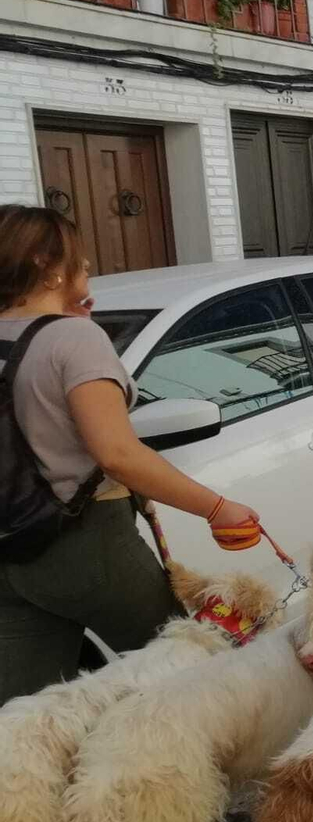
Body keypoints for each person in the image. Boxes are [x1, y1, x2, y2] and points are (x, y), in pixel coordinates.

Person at [0, 205, 258, 704]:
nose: (87, 269)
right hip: (86, 544)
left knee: (27, 717)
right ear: (46, 265)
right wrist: (218, 508)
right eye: (79, 260)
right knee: (190, 679)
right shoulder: (73, 339)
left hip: (9, 555)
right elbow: (117, 452)